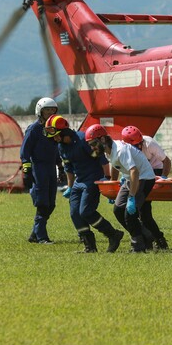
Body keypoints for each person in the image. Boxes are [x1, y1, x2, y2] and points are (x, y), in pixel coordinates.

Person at [45, 115, 124, 253]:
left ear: (65, 132)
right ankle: (89, 246)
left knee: (86, 212)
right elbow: (69, 169)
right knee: (75, 213)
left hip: (93, 180)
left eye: (57, 135)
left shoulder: (83, 140)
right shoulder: (61, 147)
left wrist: (107, 180)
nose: (55, 139)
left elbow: (102, 161)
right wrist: (70, 187)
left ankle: (113, 235)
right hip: (79, 182)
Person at [85, 124, 168, 252]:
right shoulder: (108, 151)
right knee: (118, 210)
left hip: (144, 178)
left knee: (130, 213)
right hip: (130, 179)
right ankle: (146, 235)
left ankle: (138, 246)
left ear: (102, 140)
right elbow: (116, 165)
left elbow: (134, 171)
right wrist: (113, 185)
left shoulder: (120, 150)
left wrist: (131, 197)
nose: (92, 147)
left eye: (93, 143)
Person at [20, 97, 64, 244]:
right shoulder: (34, 129)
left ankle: (34, 234)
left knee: (51, 204)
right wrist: (26, 170)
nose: (50, 113)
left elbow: (56, 150)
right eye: (47, 110)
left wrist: (60, 167)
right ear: (40, 111)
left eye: (53, 110)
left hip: (51, 168)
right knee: (42, 204)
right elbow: (25, 150)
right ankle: (41, 237)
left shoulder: (54, 130)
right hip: (38, 169)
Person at [121, 125, 172, 249]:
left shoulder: (149, 143)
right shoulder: (124, 148)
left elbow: (167, 161)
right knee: (141, 211)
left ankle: (156, 239)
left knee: (143, 211)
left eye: (140, 144)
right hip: (139, 173)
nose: (139, 147)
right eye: (135, 145)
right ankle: (152, 238)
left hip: (155, 171)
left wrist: (163, 177)